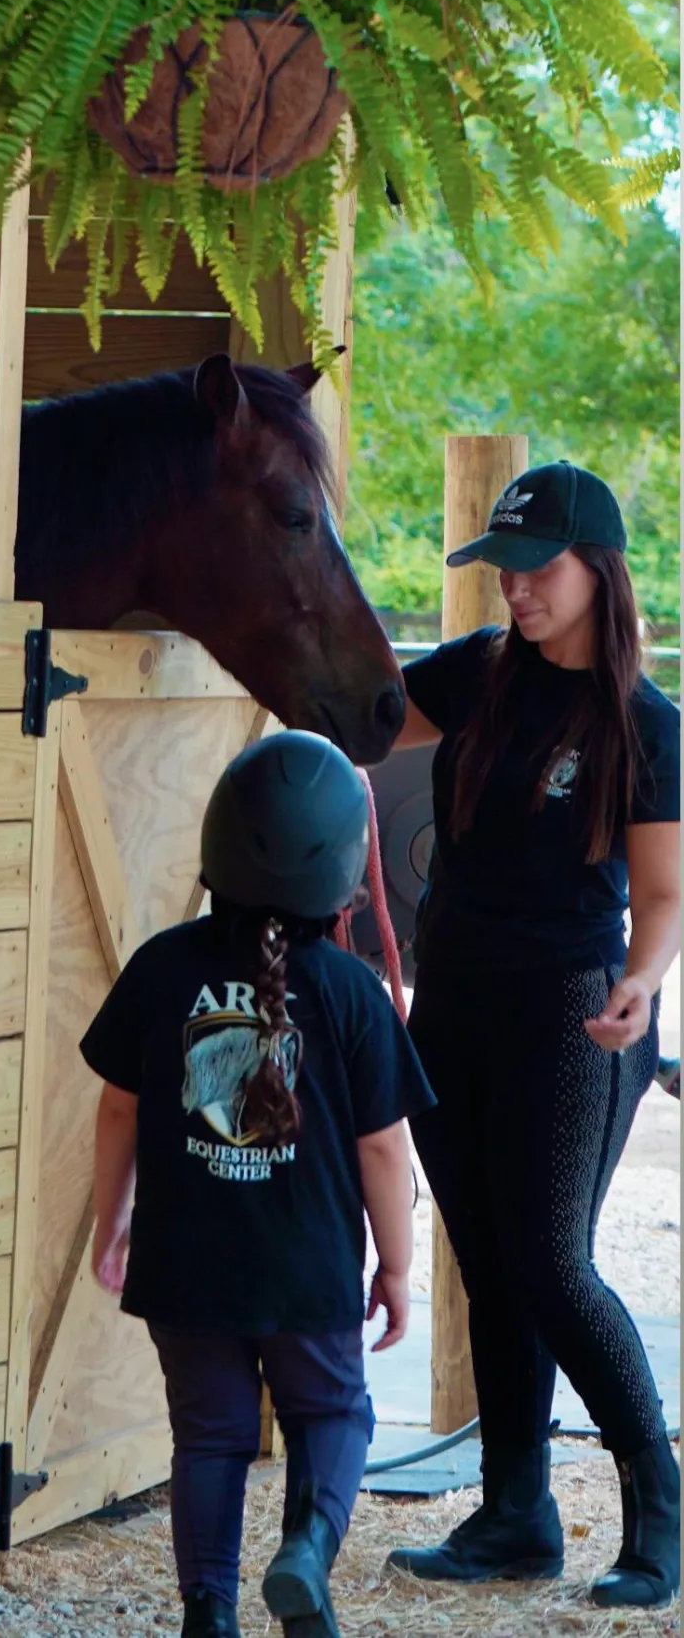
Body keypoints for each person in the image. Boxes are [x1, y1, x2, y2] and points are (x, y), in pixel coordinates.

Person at [384, 461, 680, 1608]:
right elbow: (356, 722)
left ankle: (658, 1514)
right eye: (503, 570)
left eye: (536, 568)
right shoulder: (476, 673)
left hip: (574, 1008)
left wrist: (643, 982)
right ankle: (516, 1516)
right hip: (452, 1002)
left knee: (553, 1262)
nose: (515, 590)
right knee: (491, 1261)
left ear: (598, 569)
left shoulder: (645, 724)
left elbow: (662, 895)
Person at [81, 731, 435, 1638]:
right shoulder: (351, 992)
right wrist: (396, 1267)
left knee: (210, 1435)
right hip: (306, 1269)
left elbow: (117, 1109)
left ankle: (209, 1612)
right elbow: (384, 1149)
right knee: (332, 1414)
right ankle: (307, 1553)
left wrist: (110, 1219)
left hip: (186, 1264)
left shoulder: (162, 966)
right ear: (346, 870)